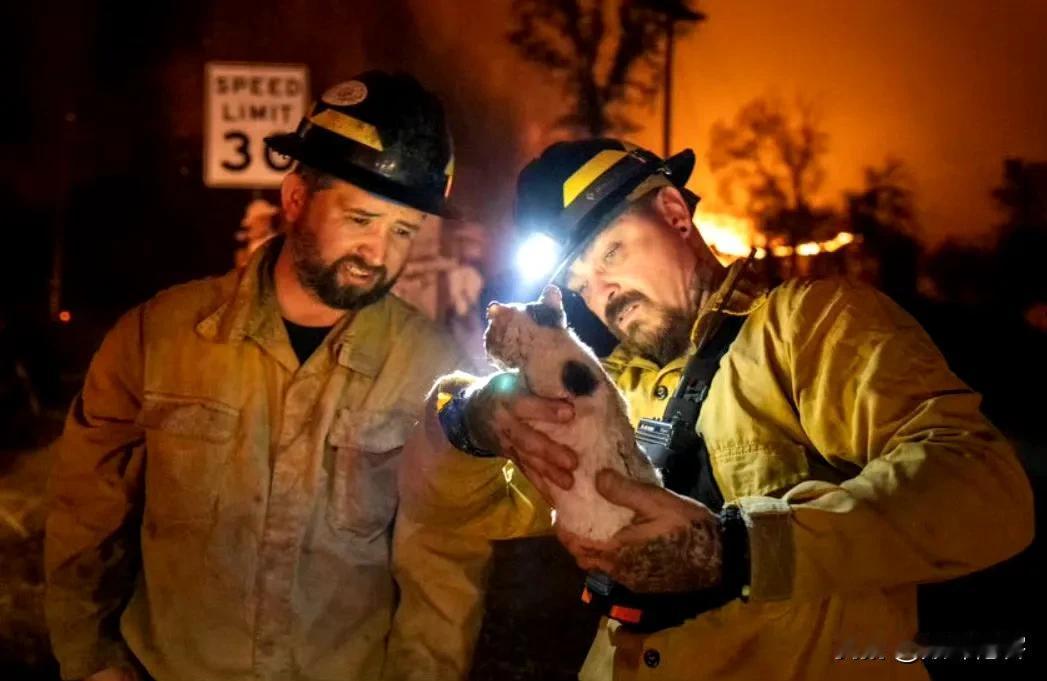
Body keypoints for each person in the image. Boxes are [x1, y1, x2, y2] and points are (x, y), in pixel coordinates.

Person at [393, 139, 1035, 680]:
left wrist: (739, 551)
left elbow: (984, 486)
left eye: (611, 252)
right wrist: (470, 420)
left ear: (674, 213)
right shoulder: (604, 393)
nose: (603, 291)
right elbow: (456, 509)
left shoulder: (807, 330)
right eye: (583, 281)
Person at [45, 71, 467, 681]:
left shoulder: (429, 370)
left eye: (402, 231)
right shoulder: (157, 338)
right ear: (296, 198)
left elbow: (444, 566)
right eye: (360, 219)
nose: (378, 253)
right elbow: (86, 522)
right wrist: (91, 665)